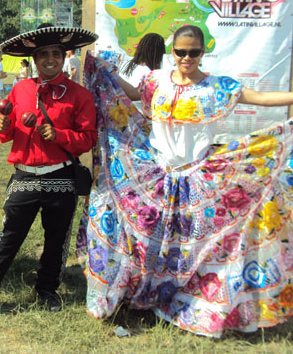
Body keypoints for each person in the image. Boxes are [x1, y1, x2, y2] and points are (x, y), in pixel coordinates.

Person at [77, 25, 293, 337]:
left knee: (195, 245)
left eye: (193, 52)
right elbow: (132, 94)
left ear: (202, 52)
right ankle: (141, 293)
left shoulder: (216, 87)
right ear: (172, 52)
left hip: (198, 176)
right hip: (157, 173)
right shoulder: (156, 81)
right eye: (181, 51)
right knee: (144, 235)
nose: (187, 57)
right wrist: (102, 72)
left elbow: (257, 96)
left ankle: (189, 299)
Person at [0, 24, 98, 323]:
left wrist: (59, 135)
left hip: (61, 177)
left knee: (56, 239)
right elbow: (9, 129)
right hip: (24, 175)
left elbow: (88, 138)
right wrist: (3, 127)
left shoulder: (79, 96)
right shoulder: (21, 88)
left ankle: (47, 289)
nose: (49, 59)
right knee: (7, 237)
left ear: (64, 57)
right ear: (34, 59)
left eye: (55, 53)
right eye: (42, 55)